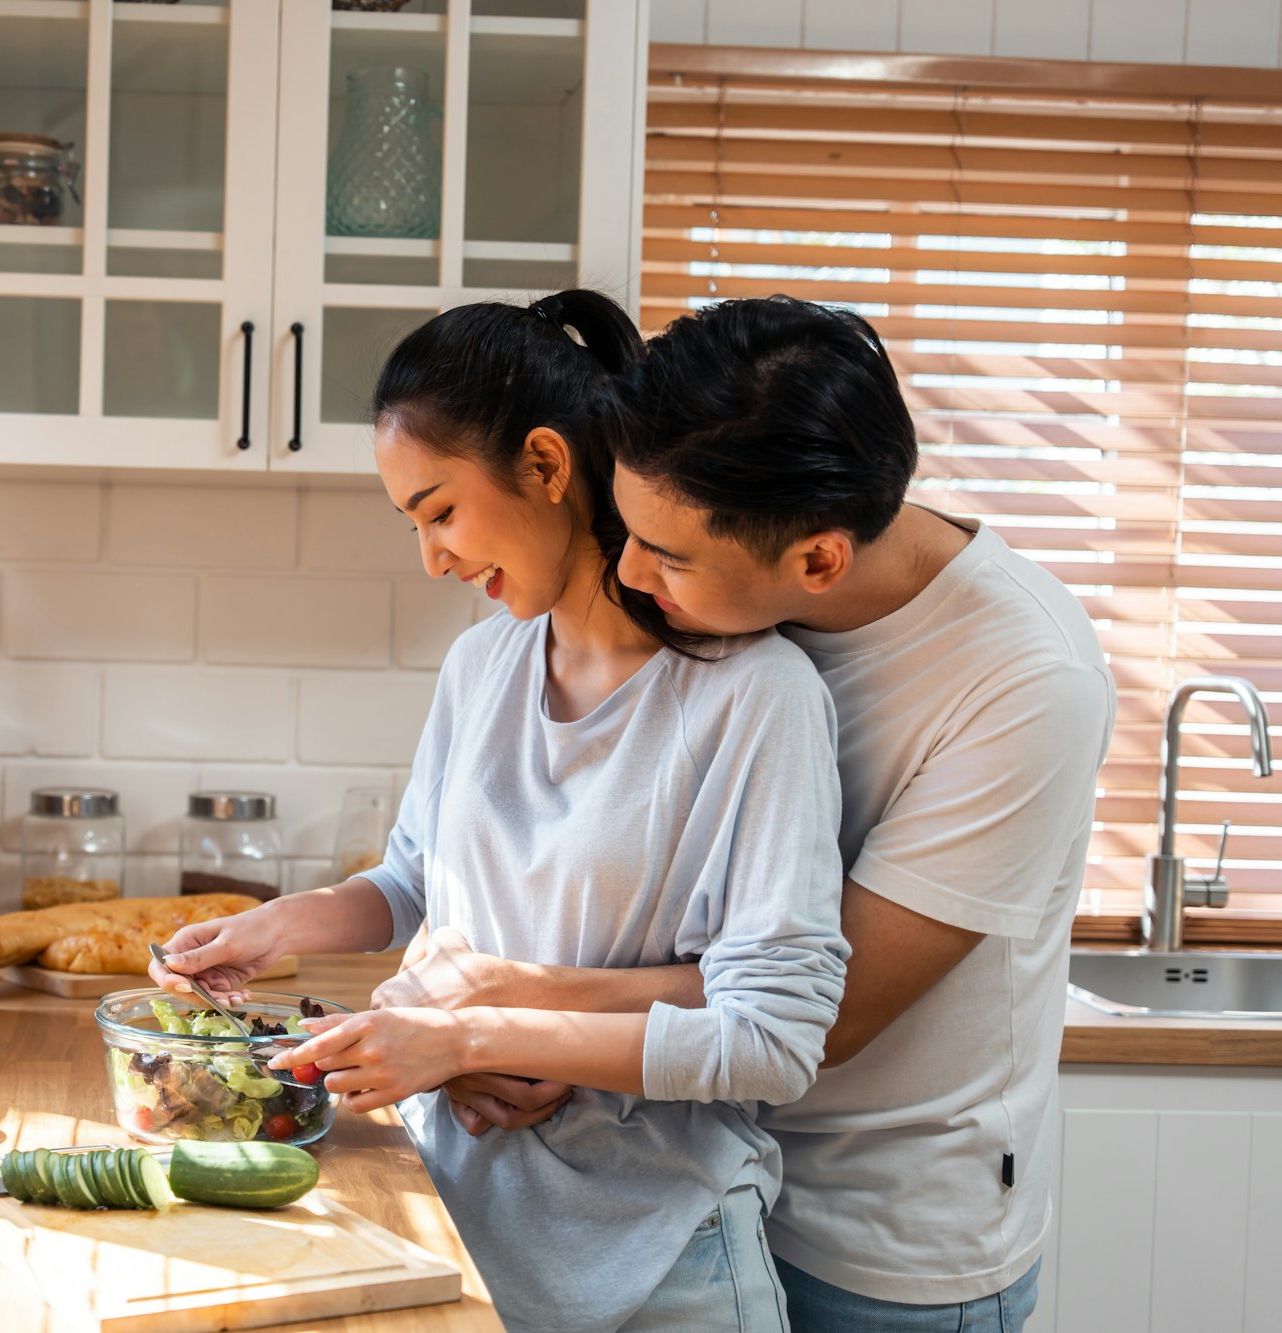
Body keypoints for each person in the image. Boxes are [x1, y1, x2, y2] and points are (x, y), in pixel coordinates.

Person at [381, 296, 1117, 1333]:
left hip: (878, 1233)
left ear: (816, 560)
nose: (629, 572)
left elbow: (828, 1008)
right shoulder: (747, 525)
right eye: (626, 529)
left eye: (663, 555)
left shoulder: (1021, 680)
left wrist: (514, 1009)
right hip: (696, 1165)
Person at [150, 290, 849, 1333]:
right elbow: (410, 883)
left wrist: (474, 1030)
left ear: (545, 465)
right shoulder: (481, 664)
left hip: (662, 1262)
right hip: (461, 1228)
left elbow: (768, 1039)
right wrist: (269, 927)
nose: (430, 556)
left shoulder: (754, 696)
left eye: (438, 509)